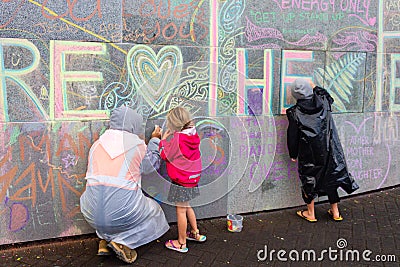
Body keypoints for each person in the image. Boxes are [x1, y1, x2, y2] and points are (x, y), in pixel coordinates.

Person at [80, 106, 169, 263]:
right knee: (155, 213)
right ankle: (124, 242)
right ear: (133, 125)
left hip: (90, 212)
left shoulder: (97, 144)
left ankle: (104, 241)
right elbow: (151, 166)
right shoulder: (137, 145)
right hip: (123, 211)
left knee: (105, 207)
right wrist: (155, 140)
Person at [286, 78, 359, 222]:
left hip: (309, 153)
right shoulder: (324, 102)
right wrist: (314, 86)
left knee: (309, 180)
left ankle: (311, 214)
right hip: (330, 150)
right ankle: (336, 212)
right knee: (331, 178)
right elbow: (327, 95)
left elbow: (292, 135)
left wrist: (293, 154)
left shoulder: (295, 112)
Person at [159, 106, 206, 253]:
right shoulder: (193, 136)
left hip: (181, 181)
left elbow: (165, 155)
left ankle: (181, 242)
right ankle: (195, 233)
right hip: (192, 179)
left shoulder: (178, 138)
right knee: (187, 206)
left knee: (180, 211)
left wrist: (162, 140)